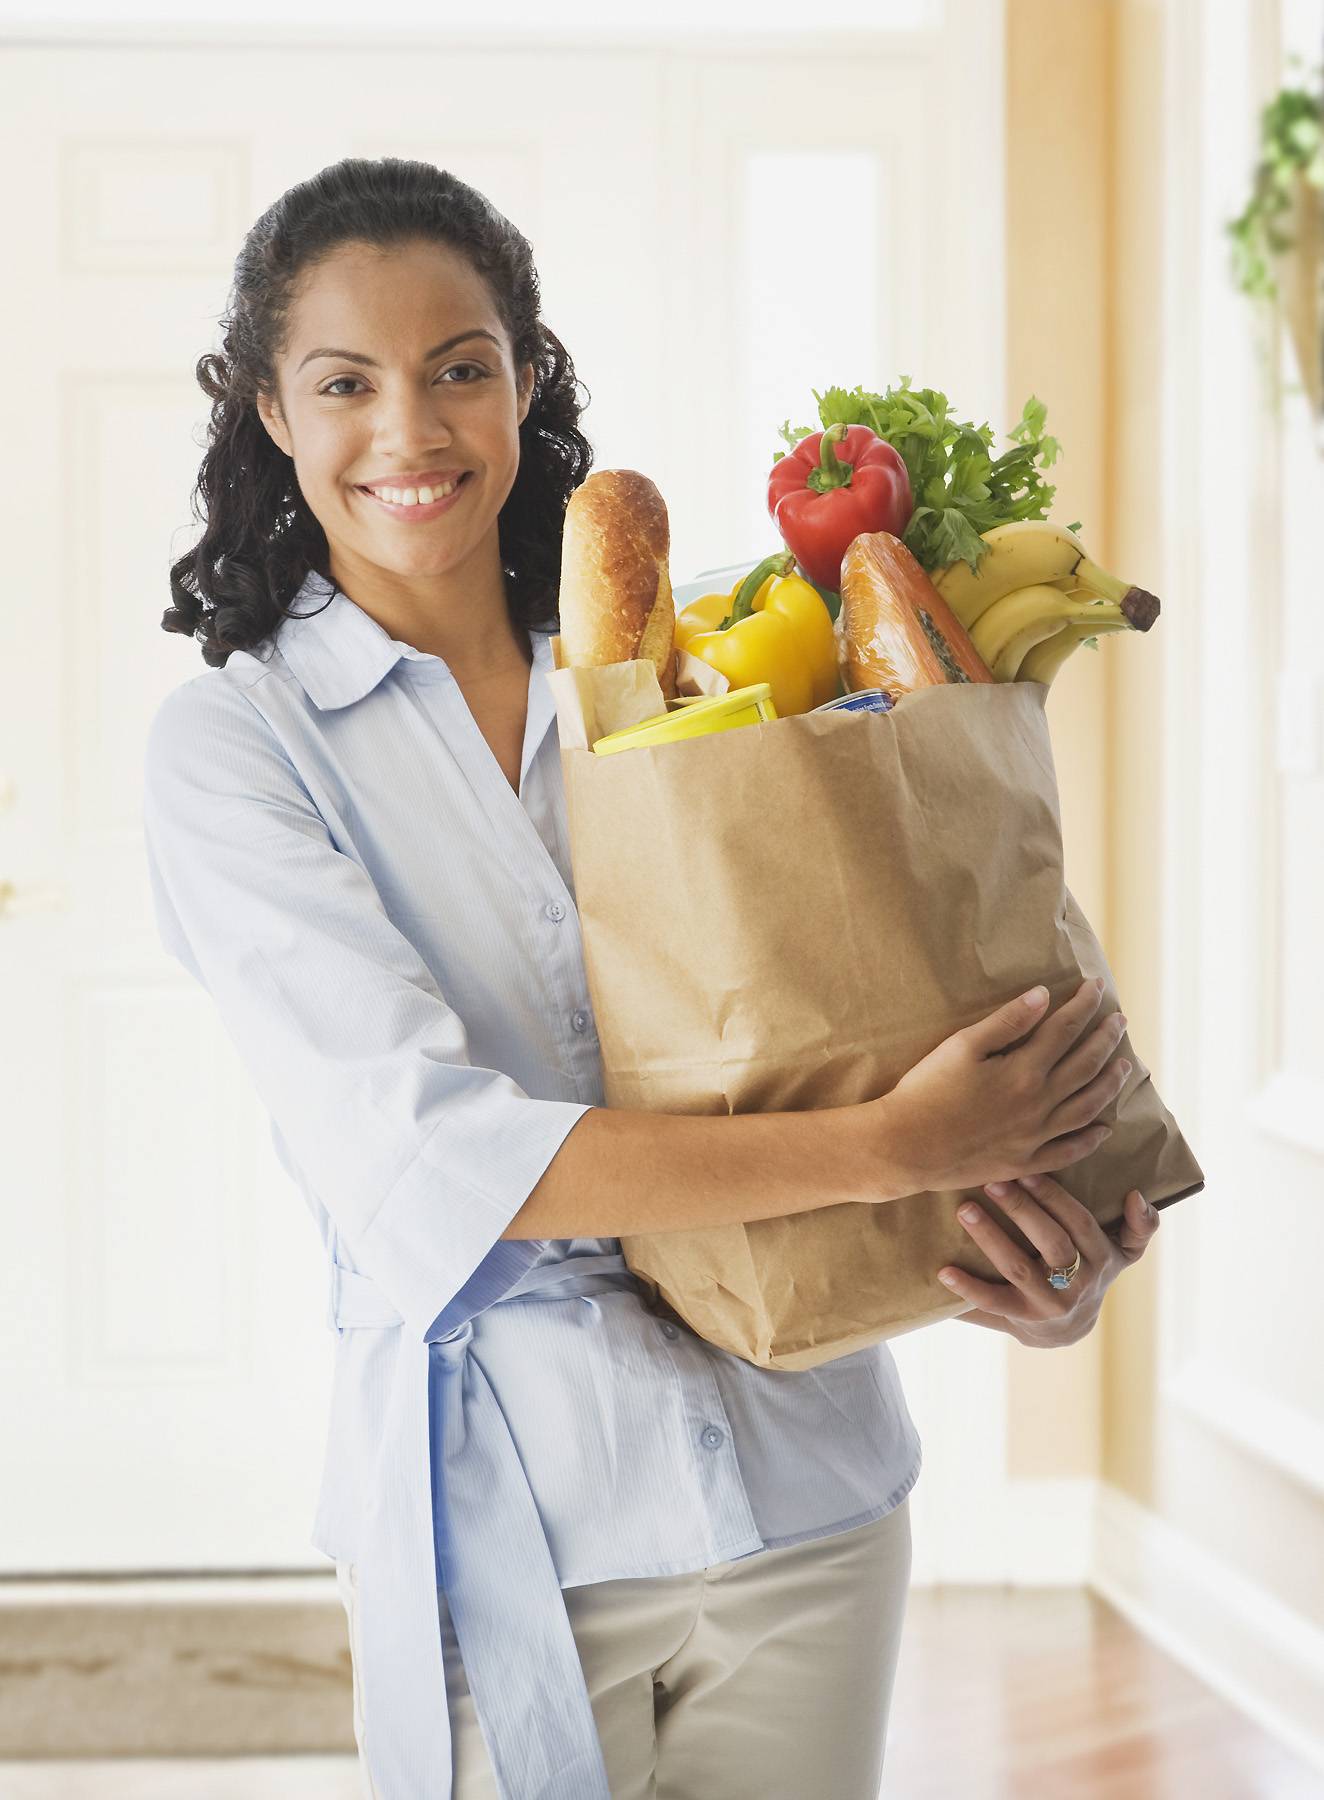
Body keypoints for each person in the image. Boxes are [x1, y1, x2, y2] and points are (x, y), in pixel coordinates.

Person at [140, 156, 1159, 1800]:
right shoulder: (238, 750)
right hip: (521, 1526)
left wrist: (1047, 1254)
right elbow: (433, 1157)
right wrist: (903, 1148)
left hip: (812, 1490)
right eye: (346, 383)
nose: (411, 432)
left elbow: (895, 1004)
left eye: (460, 368)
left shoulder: (709, 664)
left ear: (526, 377)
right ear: (270, 410)